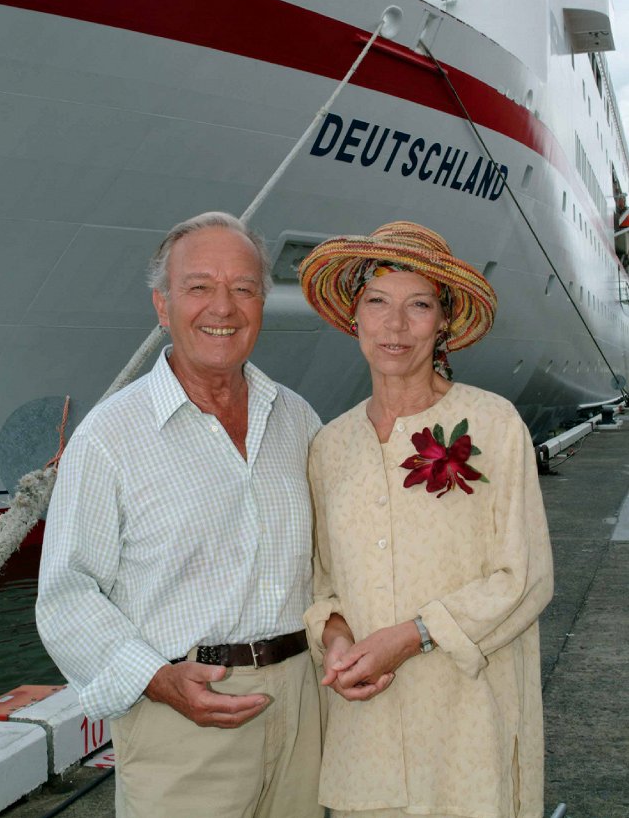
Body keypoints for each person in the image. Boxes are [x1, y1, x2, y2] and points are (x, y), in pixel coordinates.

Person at [37, 211, 324, 818]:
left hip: (303, 708)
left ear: (262, 304)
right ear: (163, 307)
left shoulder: (298, 420)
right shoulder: (110, 437)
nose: (223, 307)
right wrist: (157, 680)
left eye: (243, 288)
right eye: (199, 287)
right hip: (182, 717)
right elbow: (65, 596)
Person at [298, 221, 554, 818]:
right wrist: (335, 637)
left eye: (419, 306)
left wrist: (411, 636)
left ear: (443, 322)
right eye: (377, 303)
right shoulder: (330, 446)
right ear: (354, 317)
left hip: (465, 721)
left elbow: (525, 576)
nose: (395, 326)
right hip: (367, 726)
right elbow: (323, 581)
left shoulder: (493, 426)